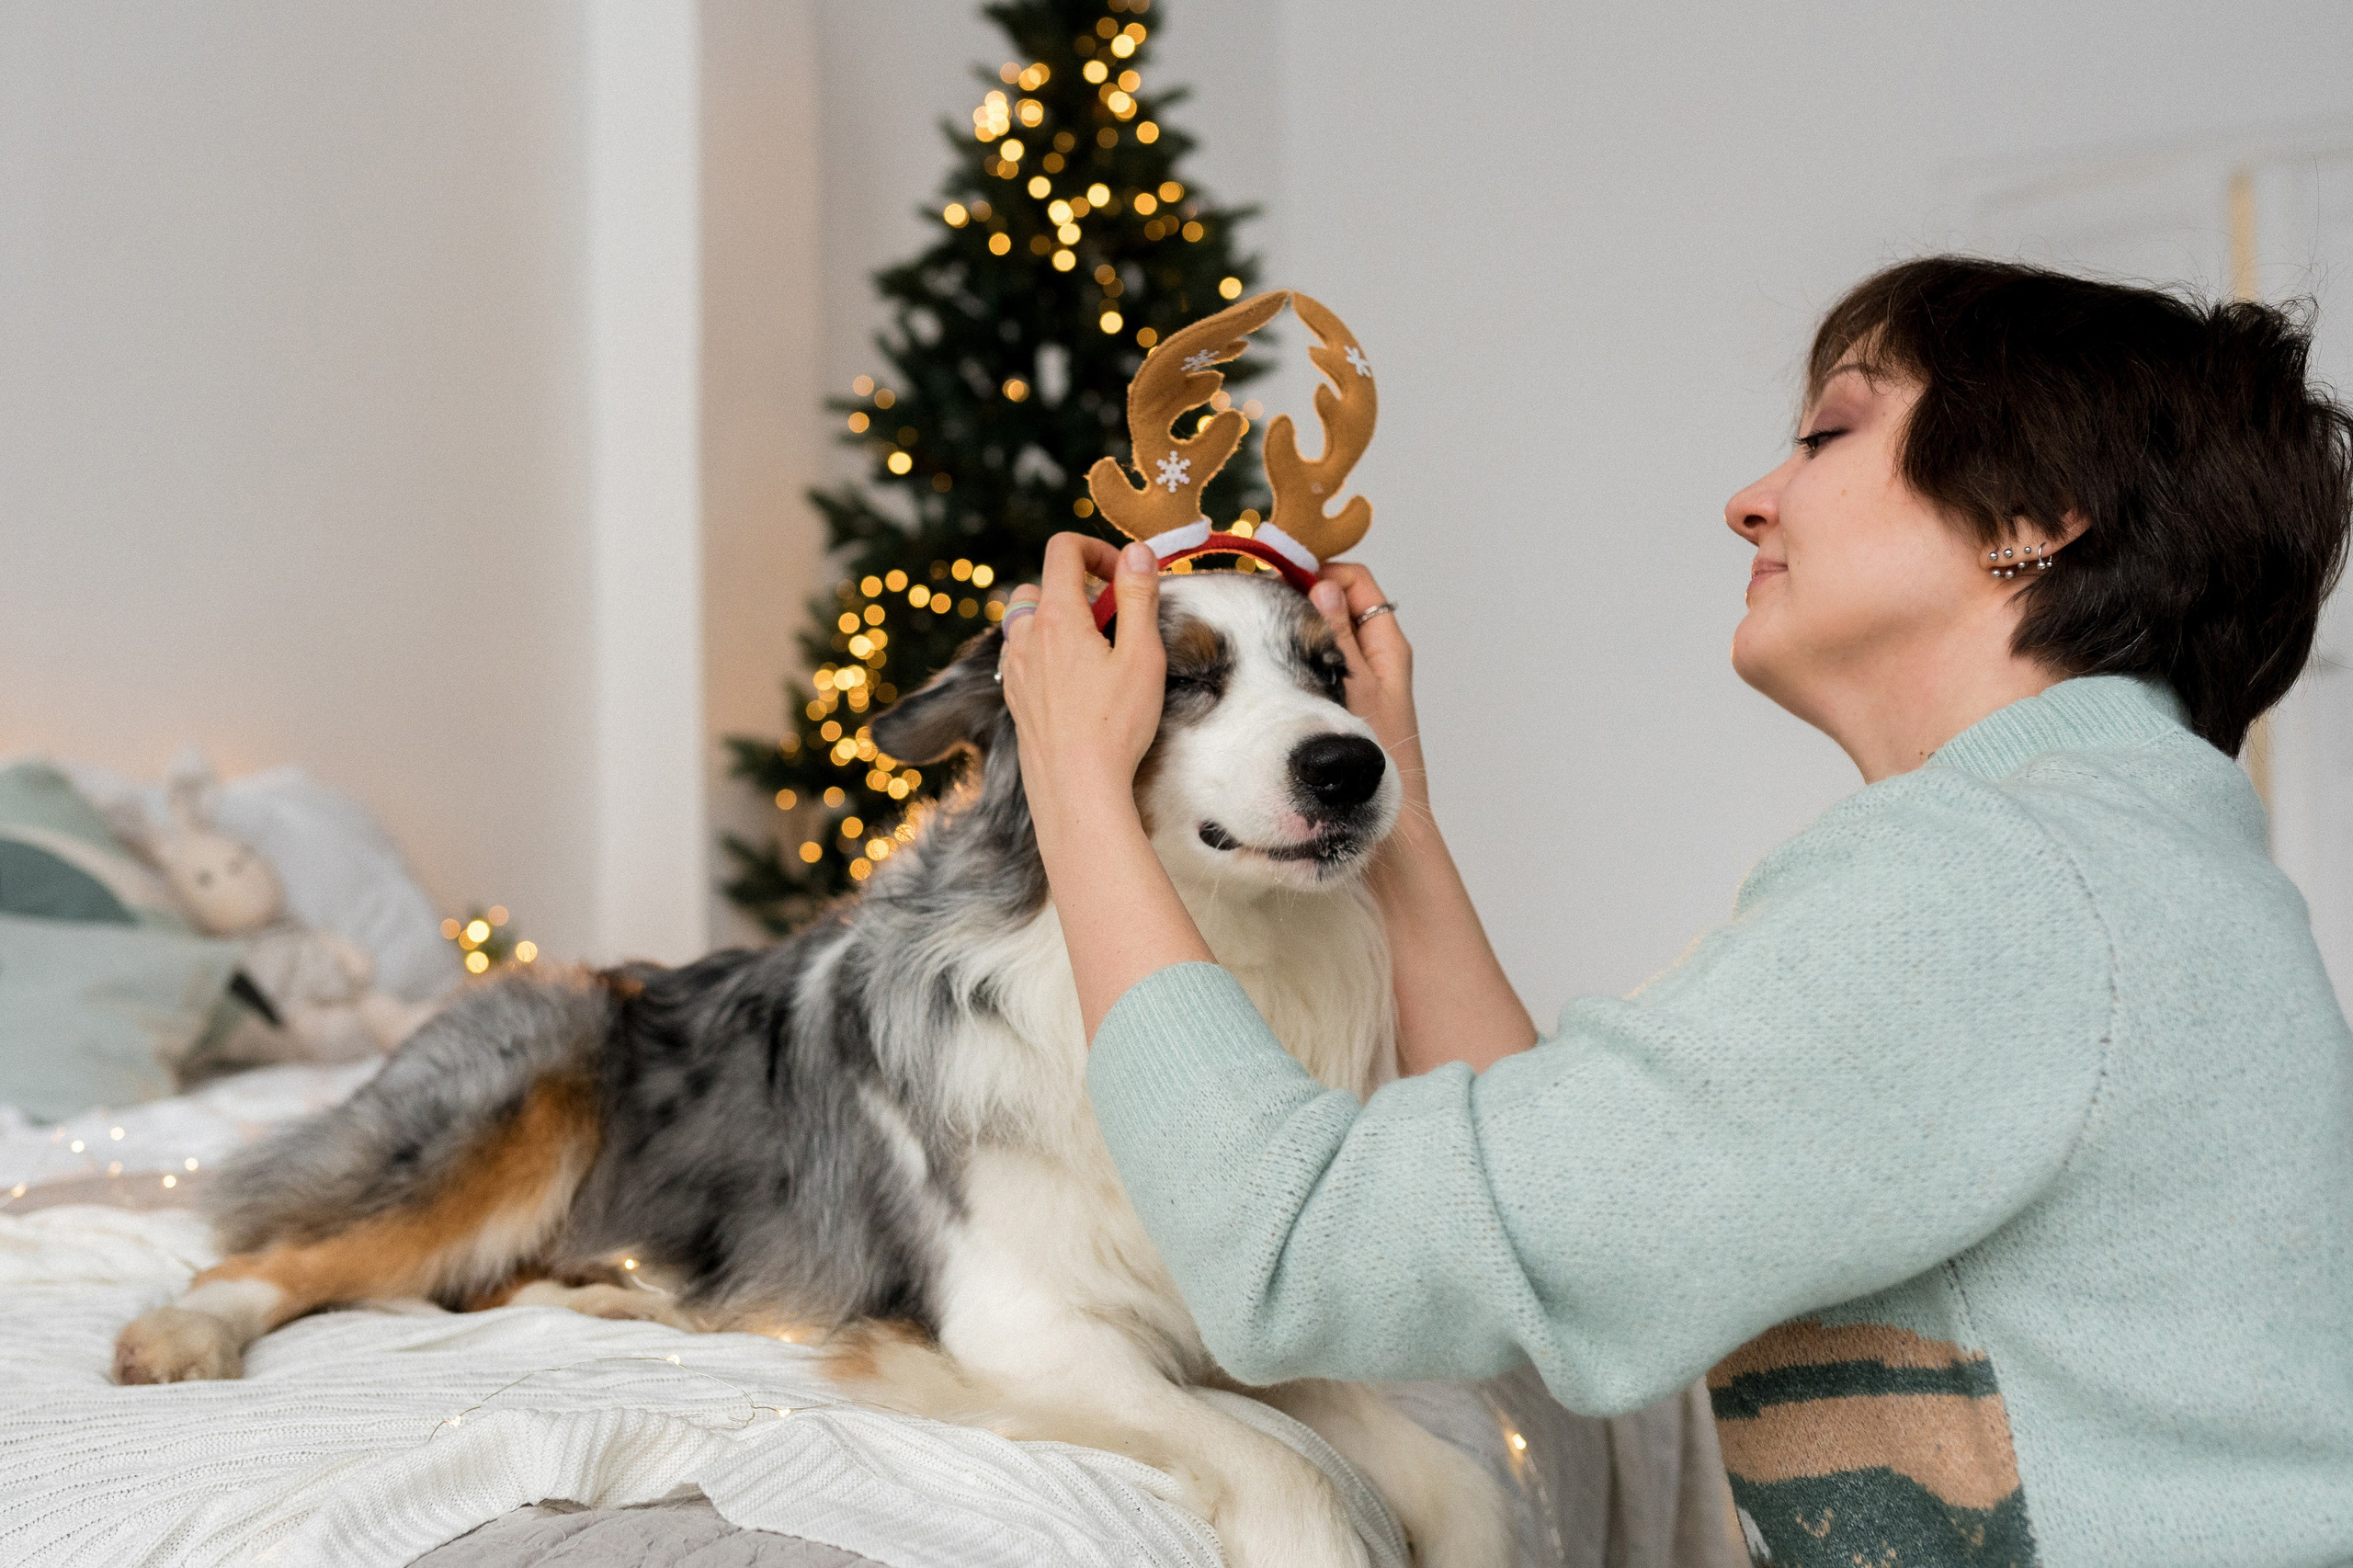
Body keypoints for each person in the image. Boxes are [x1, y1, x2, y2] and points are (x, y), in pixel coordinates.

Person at [995, 257, 2353, 1564]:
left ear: (2037, 517)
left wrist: (1076, 784)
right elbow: (1550, 1240)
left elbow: (1291, 1251)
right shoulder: (2122, 857)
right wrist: (1397, 813)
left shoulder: (1988, 893)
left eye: (1828, 434)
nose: (1751, 501)